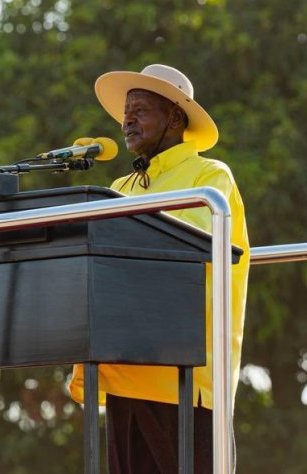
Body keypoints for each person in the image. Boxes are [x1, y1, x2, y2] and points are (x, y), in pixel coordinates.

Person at [68, 64, 250, 473]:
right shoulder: (119, 188)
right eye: (125, 113)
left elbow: (190, 249)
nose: (127, 121)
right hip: (122, 372)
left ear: (175, 118)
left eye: (140, 111)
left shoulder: (209, 175)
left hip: (184, 377)